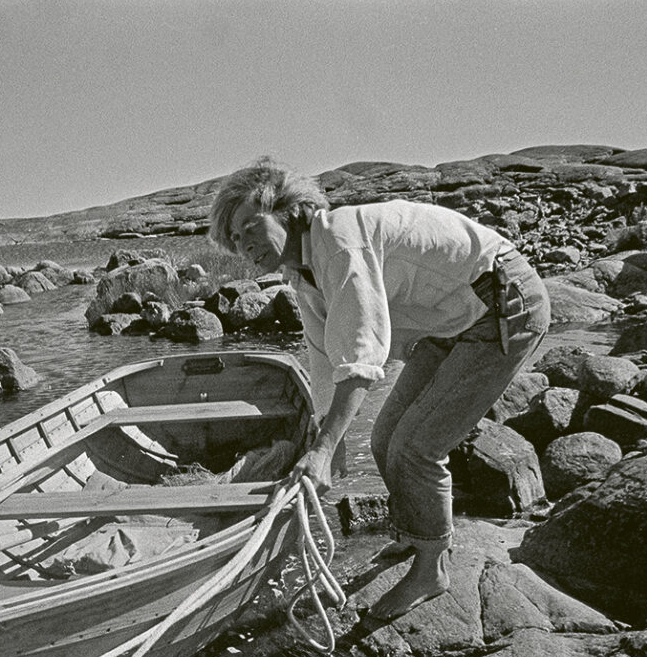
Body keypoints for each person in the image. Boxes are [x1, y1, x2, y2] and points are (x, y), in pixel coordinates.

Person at [208, 157, 551, 619]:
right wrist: (329, 440)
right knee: (384, 437)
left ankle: (433, 569)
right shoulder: (302, 272)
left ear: (288, 211)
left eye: (251, 226)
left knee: (416, 447)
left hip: (501, 300)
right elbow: (324, 357)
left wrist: (323, 451)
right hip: (450, 318)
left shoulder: (338, 240)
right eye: (234, 238)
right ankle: (415, 534)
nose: (244, 244)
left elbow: (362, 351)